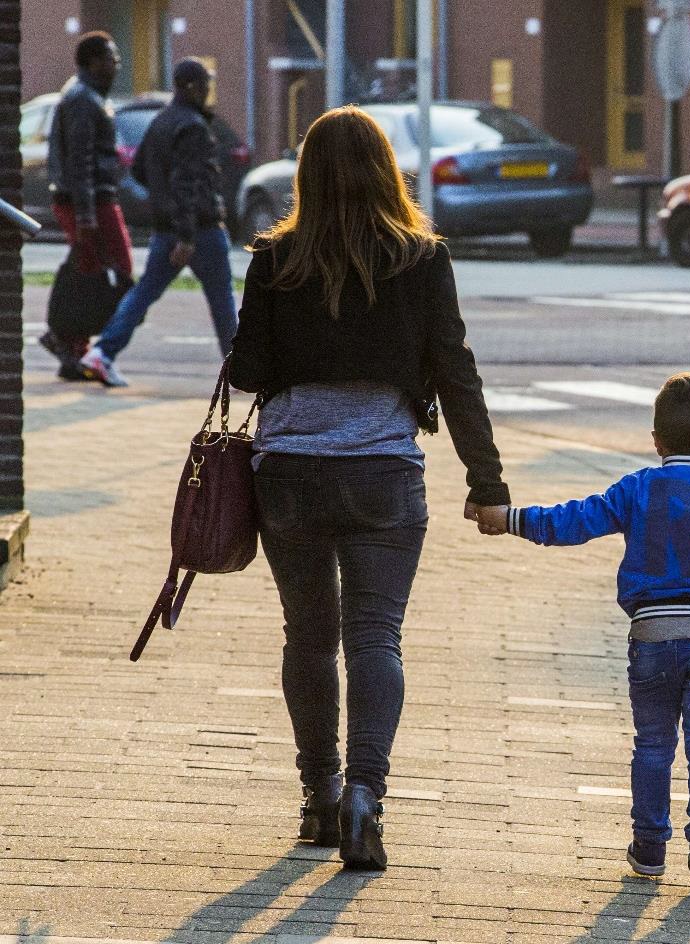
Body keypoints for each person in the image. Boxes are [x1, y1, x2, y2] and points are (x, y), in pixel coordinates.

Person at [229, 106, 512, 871]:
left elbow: (246, 371)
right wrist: (486, 482)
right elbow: (455, 372)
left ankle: (318, 795)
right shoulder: (422, 260)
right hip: (384, 474)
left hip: (289, 475)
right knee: (375, 638)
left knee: (308, 636)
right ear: (389, 172)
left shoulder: (274, 259)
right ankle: (364, 797)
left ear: (306, 177)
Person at [484, 373, 690, 892]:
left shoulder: (637, 488)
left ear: (657, 441)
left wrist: (510, 518)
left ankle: (648, 847)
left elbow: (575, 521)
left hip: (650, 637)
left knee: (653, 744)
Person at [80, 58, 237, 387]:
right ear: (191, 87)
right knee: (222, 300)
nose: (208, 91)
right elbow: (188, 184)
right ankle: (238, 370)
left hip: (166, 229)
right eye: (205, 84)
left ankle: (102, 353)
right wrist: (187, 235)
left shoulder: (160, 121)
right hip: (199, 231)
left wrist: (164, 201)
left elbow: (139, 170)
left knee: (144, 292)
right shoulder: (193, 127)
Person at [41, 31, 131, 380]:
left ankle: (73, 347)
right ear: (93, 62)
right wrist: (86, 216)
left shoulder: (88, 94)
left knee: (88, 270)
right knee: (117, 270)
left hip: (91, 198)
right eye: (111, 57)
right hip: (92, 200)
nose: (117, 63)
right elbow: (79, 161)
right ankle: (75, 344)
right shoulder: (83, 98)